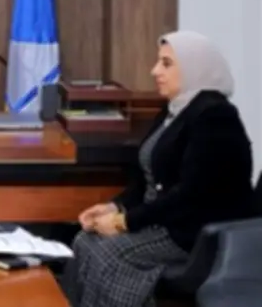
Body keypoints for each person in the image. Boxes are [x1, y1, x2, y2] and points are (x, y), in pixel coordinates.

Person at [62, 31, 255, 307]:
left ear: (194, 68)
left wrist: (124, 222)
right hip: (160, 220)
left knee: (109, 254)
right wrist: (114, 207)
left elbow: (190, 195)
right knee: (85, 241)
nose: (155, 71)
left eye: (166, 64)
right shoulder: (174, 110)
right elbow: (146, 180)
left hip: (189, 233)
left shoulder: (215, 116)